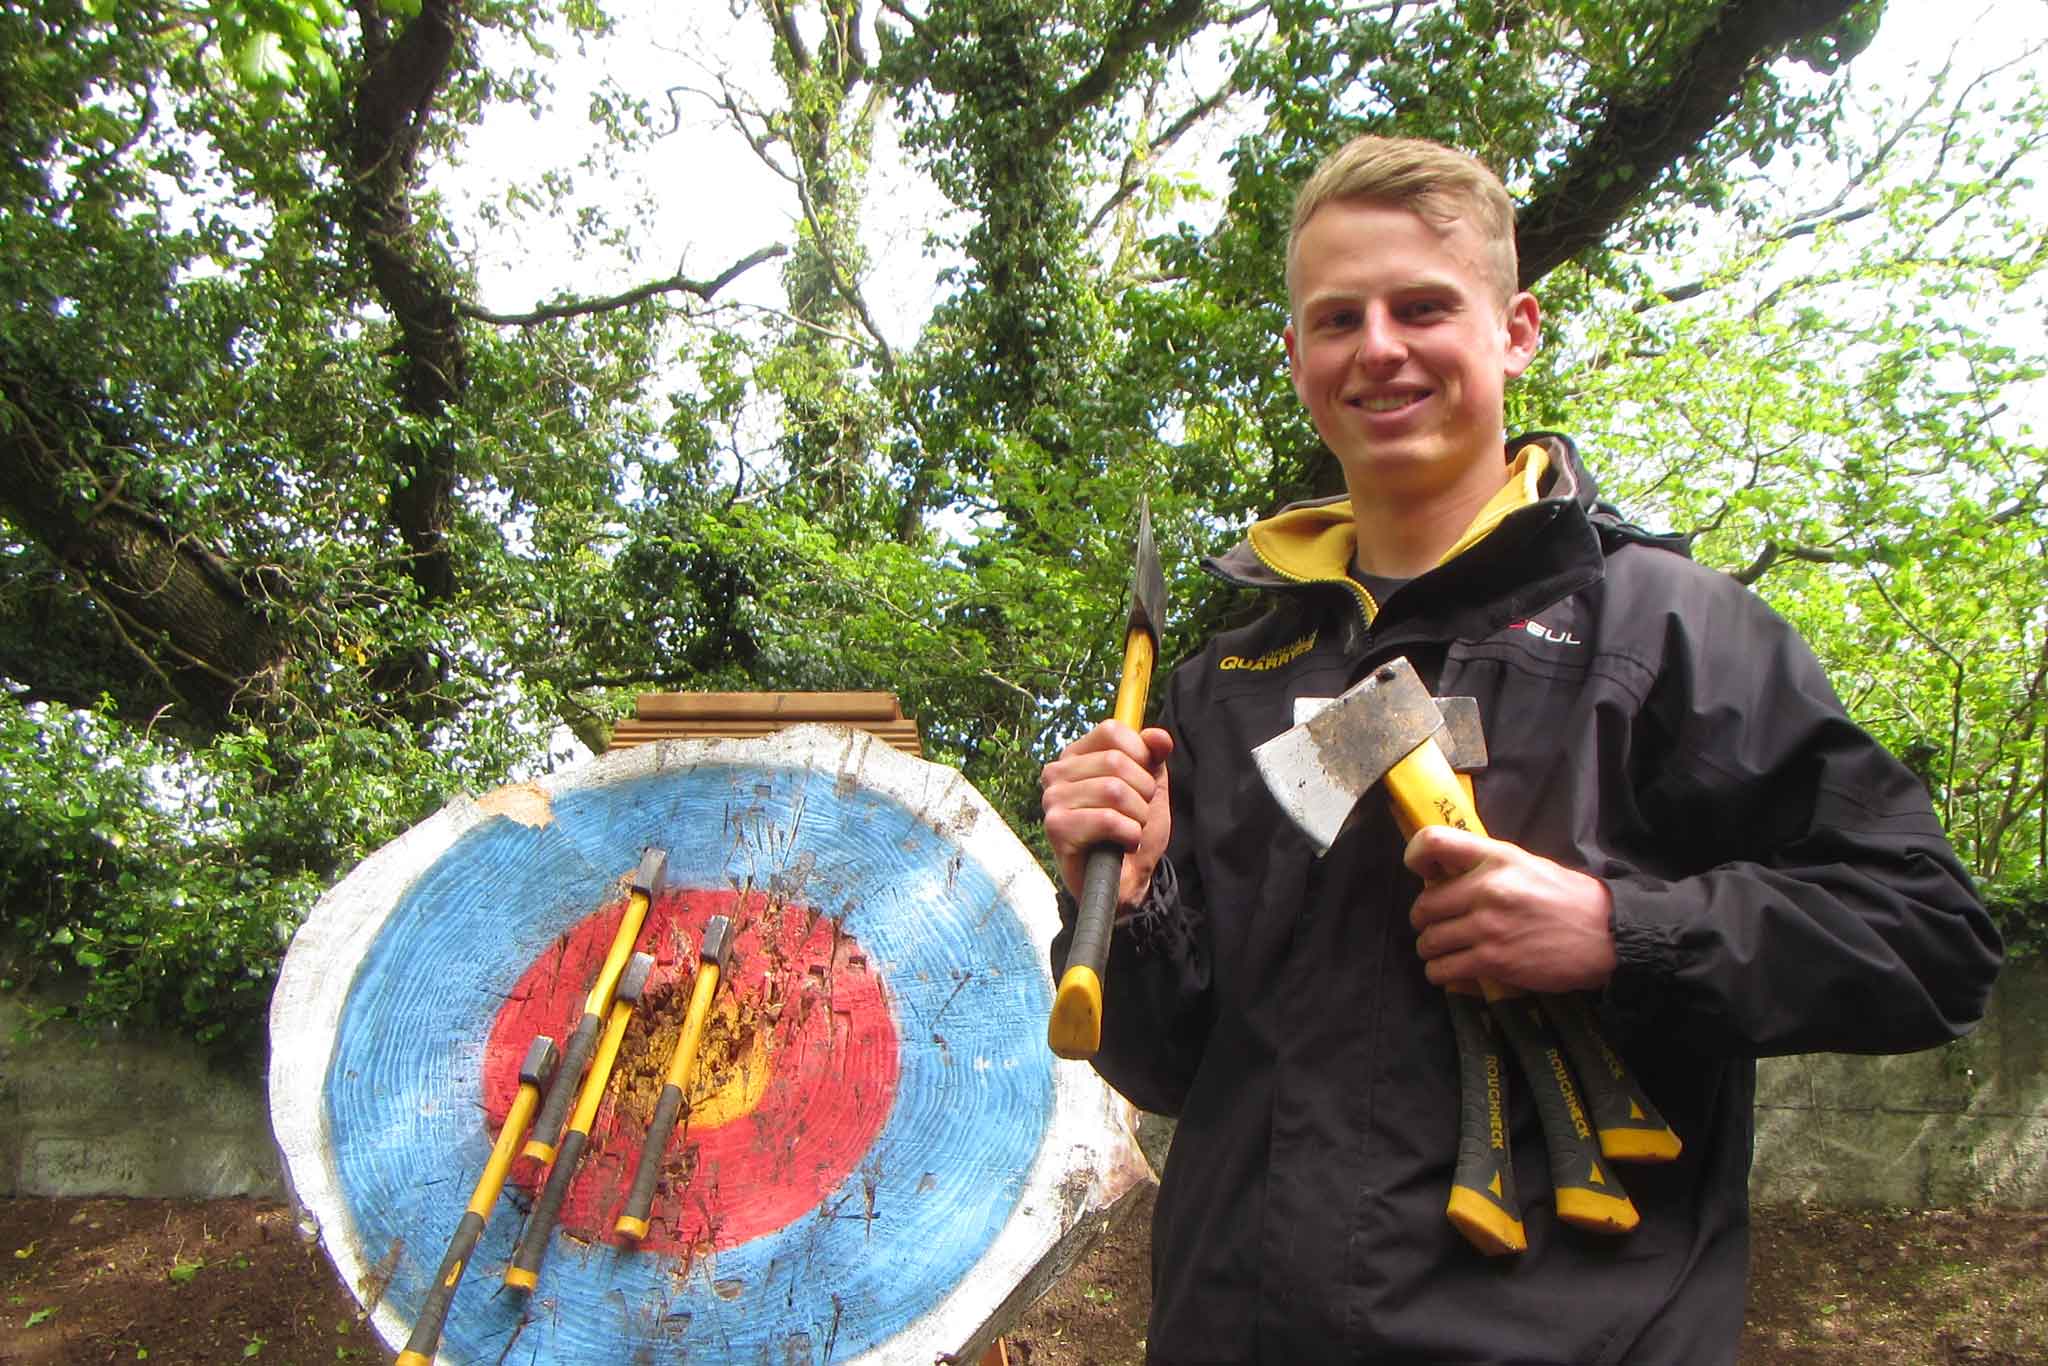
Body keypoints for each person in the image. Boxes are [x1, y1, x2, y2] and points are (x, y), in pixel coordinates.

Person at [1039, 135, 2002, 1364]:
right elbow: (1175, 1064)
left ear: (1515, 329)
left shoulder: (1659, 628)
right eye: (1335, 318)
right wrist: (1133, 890)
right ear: (1295, 361)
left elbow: (1928, 936)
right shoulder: (1228, 681)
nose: (1376, 346)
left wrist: (1615, 932)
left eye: (1421, 306)